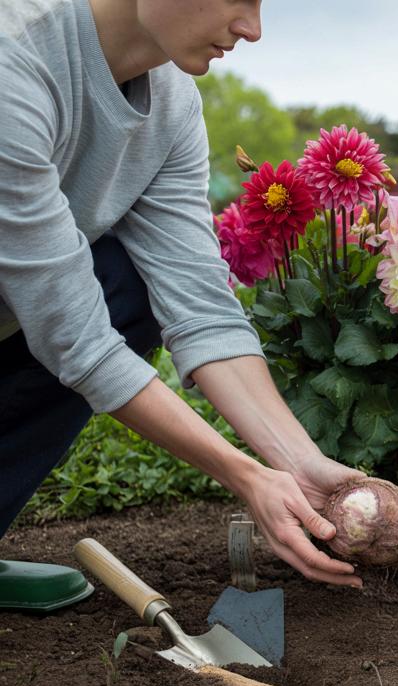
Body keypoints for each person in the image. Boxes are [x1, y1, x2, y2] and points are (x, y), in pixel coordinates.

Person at [0, 0, 365, 597]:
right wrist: (243, 475)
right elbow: (74, 334)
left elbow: (200, 305)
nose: (253, 29)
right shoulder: (14, 59)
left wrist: (299, 465)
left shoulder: (170, 105)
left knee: (130, 283)